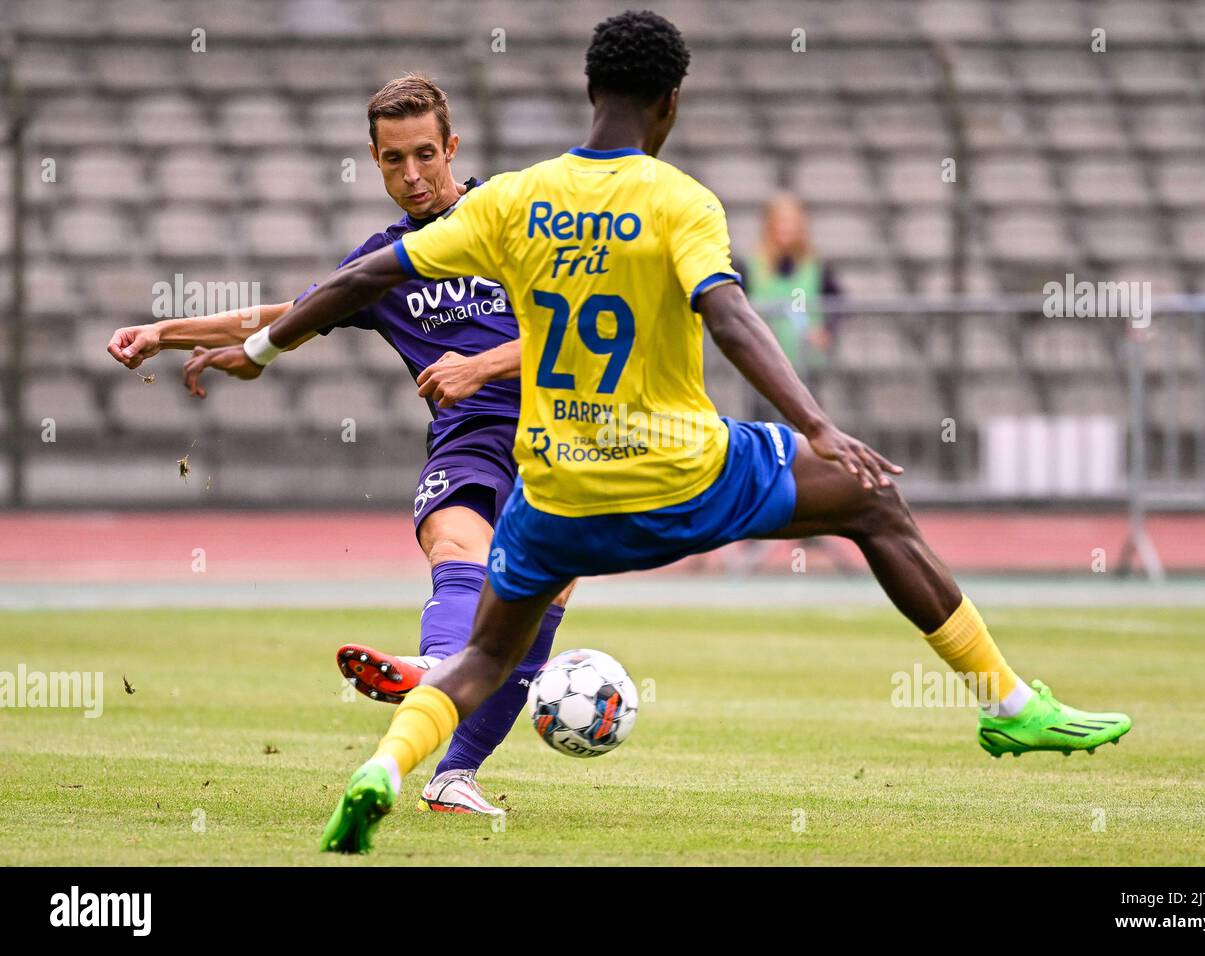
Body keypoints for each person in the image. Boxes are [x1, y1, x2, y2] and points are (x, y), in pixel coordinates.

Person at [181, 11, 1132, 857]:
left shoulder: (512, 198)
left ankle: (386, 773)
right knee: (875, 503)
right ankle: (1009, 706)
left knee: (482, 657)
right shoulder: (680, 199)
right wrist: (816, 424)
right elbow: (729, 316)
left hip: (554, 492)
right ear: (668, 102)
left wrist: (261, 350)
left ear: (589, 91)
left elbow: (357, 282)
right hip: (683, 470)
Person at [109, 73, 572, 817]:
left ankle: (453, 773)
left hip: (560, 436)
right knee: (457, 550)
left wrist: (481, 363)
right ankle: (436, 663)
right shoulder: (385, 262)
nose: (414, 175)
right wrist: (165, 332)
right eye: (395, 160)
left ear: (453, 147)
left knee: (534, 605)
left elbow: (585, 326)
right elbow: (296, 311)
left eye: (426, 154)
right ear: (374, 160)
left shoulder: (511, 218)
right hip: (470, 440)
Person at [739, 192, 843, 413]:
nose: (787, 229)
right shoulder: (751, 266)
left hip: (804, 365)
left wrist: (826, 330)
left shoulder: (816, 266)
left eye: (792, 223)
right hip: (761, 366)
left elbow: (839, 303)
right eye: (781, 222)